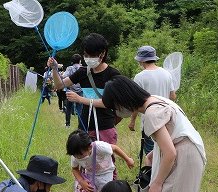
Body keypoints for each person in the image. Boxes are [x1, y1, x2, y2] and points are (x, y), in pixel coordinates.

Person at [48, 33, 121, 177]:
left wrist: (80, 100)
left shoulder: (113, 75)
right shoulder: (83, 72)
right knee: (85, 163)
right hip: (85, 127)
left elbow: (109, 103)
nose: (88, 58)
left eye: (92, 55)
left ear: (103, 53)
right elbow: (59, 85)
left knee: (107, 164)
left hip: (105, 126)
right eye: (86, 55)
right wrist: (54, 69)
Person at [130, 46, 177, 154]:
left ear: (141, 60)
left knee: (151, 153)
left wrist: (132, 121)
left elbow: (137, 102)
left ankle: (153, 170)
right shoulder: (167, 74)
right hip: (167, 117)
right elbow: (173, 97)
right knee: (164, 150)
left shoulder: (139, 77)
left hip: (149, 120)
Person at [62, 54, 83, 127]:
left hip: (70, 90)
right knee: (80, 109)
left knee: (69, 108)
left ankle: (67, 124)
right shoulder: (82, 68)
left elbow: (64, 76)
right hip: (80, 91)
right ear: (80, 60)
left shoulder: (69, 68)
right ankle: (80, 125)